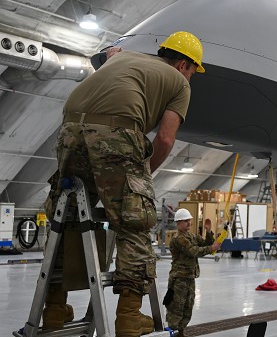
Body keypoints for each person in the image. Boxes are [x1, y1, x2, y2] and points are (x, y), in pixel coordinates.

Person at [40, 31, 206, 337]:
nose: (192, 77)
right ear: (184, 64)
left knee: (70, 218)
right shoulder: (180, 83)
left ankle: (53, 309)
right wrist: (143, 177)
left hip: (69, 127)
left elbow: (110, 55)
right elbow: (166, 138)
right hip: (116, 131)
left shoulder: (126, 57)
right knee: (135, 222)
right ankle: (128, 316)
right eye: (194, 71)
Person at [165, 209, 221, 336]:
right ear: (178, 223)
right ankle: (172, 332)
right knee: (176, 307)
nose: (189, 223)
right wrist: (211, 248)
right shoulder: (179, 238)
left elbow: (205, 243)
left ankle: (181, 332)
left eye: (189, 220)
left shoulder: (191, 236)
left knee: (187, 306)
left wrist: (208, 232)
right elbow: (193, 251)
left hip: (190, 276)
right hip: (179, 278)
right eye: (186, 221)